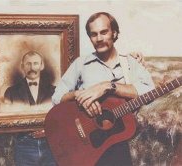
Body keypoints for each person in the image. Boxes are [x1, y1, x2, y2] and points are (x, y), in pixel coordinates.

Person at [52, 12, 155, 166]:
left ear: (114, 33)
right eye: (93, 34)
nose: (99, 38)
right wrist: (79, 96)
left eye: (104, 32)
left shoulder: (130, 63)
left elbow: (150, 92)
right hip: (89, 143)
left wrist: (108, 86)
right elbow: (57, 98)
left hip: (121, 141)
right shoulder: (81, 64)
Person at [3, 51, 56, 166]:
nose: (32, 68)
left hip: (50, 144)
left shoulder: (55, 91)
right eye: (28, 64)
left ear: (42, 66)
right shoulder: (11, 92)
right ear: (22, 66)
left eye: (35, 63)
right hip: (23, 143)